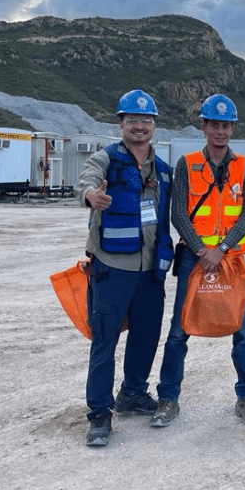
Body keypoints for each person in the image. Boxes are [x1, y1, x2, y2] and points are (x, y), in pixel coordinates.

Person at [152, 94, 245, 428]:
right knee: (178, 330)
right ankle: (168, 399)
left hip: (230, 259)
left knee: (242, 330)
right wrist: (203, 250)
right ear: (204, 126)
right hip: (194, 258)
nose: (220, 131)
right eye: (214, 124)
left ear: (232, 128)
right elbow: (178, 213)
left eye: (225, 125)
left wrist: (223, 248)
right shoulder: (186, 164)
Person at [73, 89, 174, 447]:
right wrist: (91, 196)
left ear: (153, 126)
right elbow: (85, 180)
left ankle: (132, 393)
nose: (140, 127)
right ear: (121, 124)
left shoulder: (162, 171)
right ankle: (99, 413)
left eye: (146, 121)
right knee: (105, 340)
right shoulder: (105, 159)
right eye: (132, 120)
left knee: (146, 336)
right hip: (112, 268)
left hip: (150, 271)